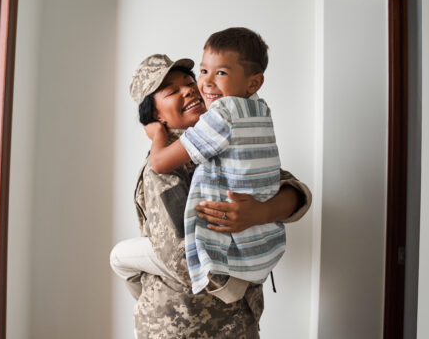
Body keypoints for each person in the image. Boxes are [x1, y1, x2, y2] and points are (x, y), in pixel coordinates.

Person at [111, 53, 311, 338]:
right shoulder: (165, 169)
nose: (189, 89)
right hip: (187, 326)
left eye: (189, 81)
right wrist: (247, 269)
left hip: (239, 321)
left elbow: (295, 191)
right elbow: (181, 258)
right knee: (120, 257)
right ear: (155, 115)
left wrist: (262, 212)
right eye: (171, 91)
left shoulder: (229, 137)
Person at [143, 28, 284, 298]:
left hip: (226, 268)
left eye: (220, 73)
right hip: (260, 252)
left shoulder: (222, 116)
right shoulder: (259, 109)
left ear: (253, 83)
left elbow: (160, 163)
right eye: (204, 72)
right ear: (153, 112)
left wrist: (157, 135)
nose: (201, 85)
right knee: (121, 258)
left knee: (120, 257)